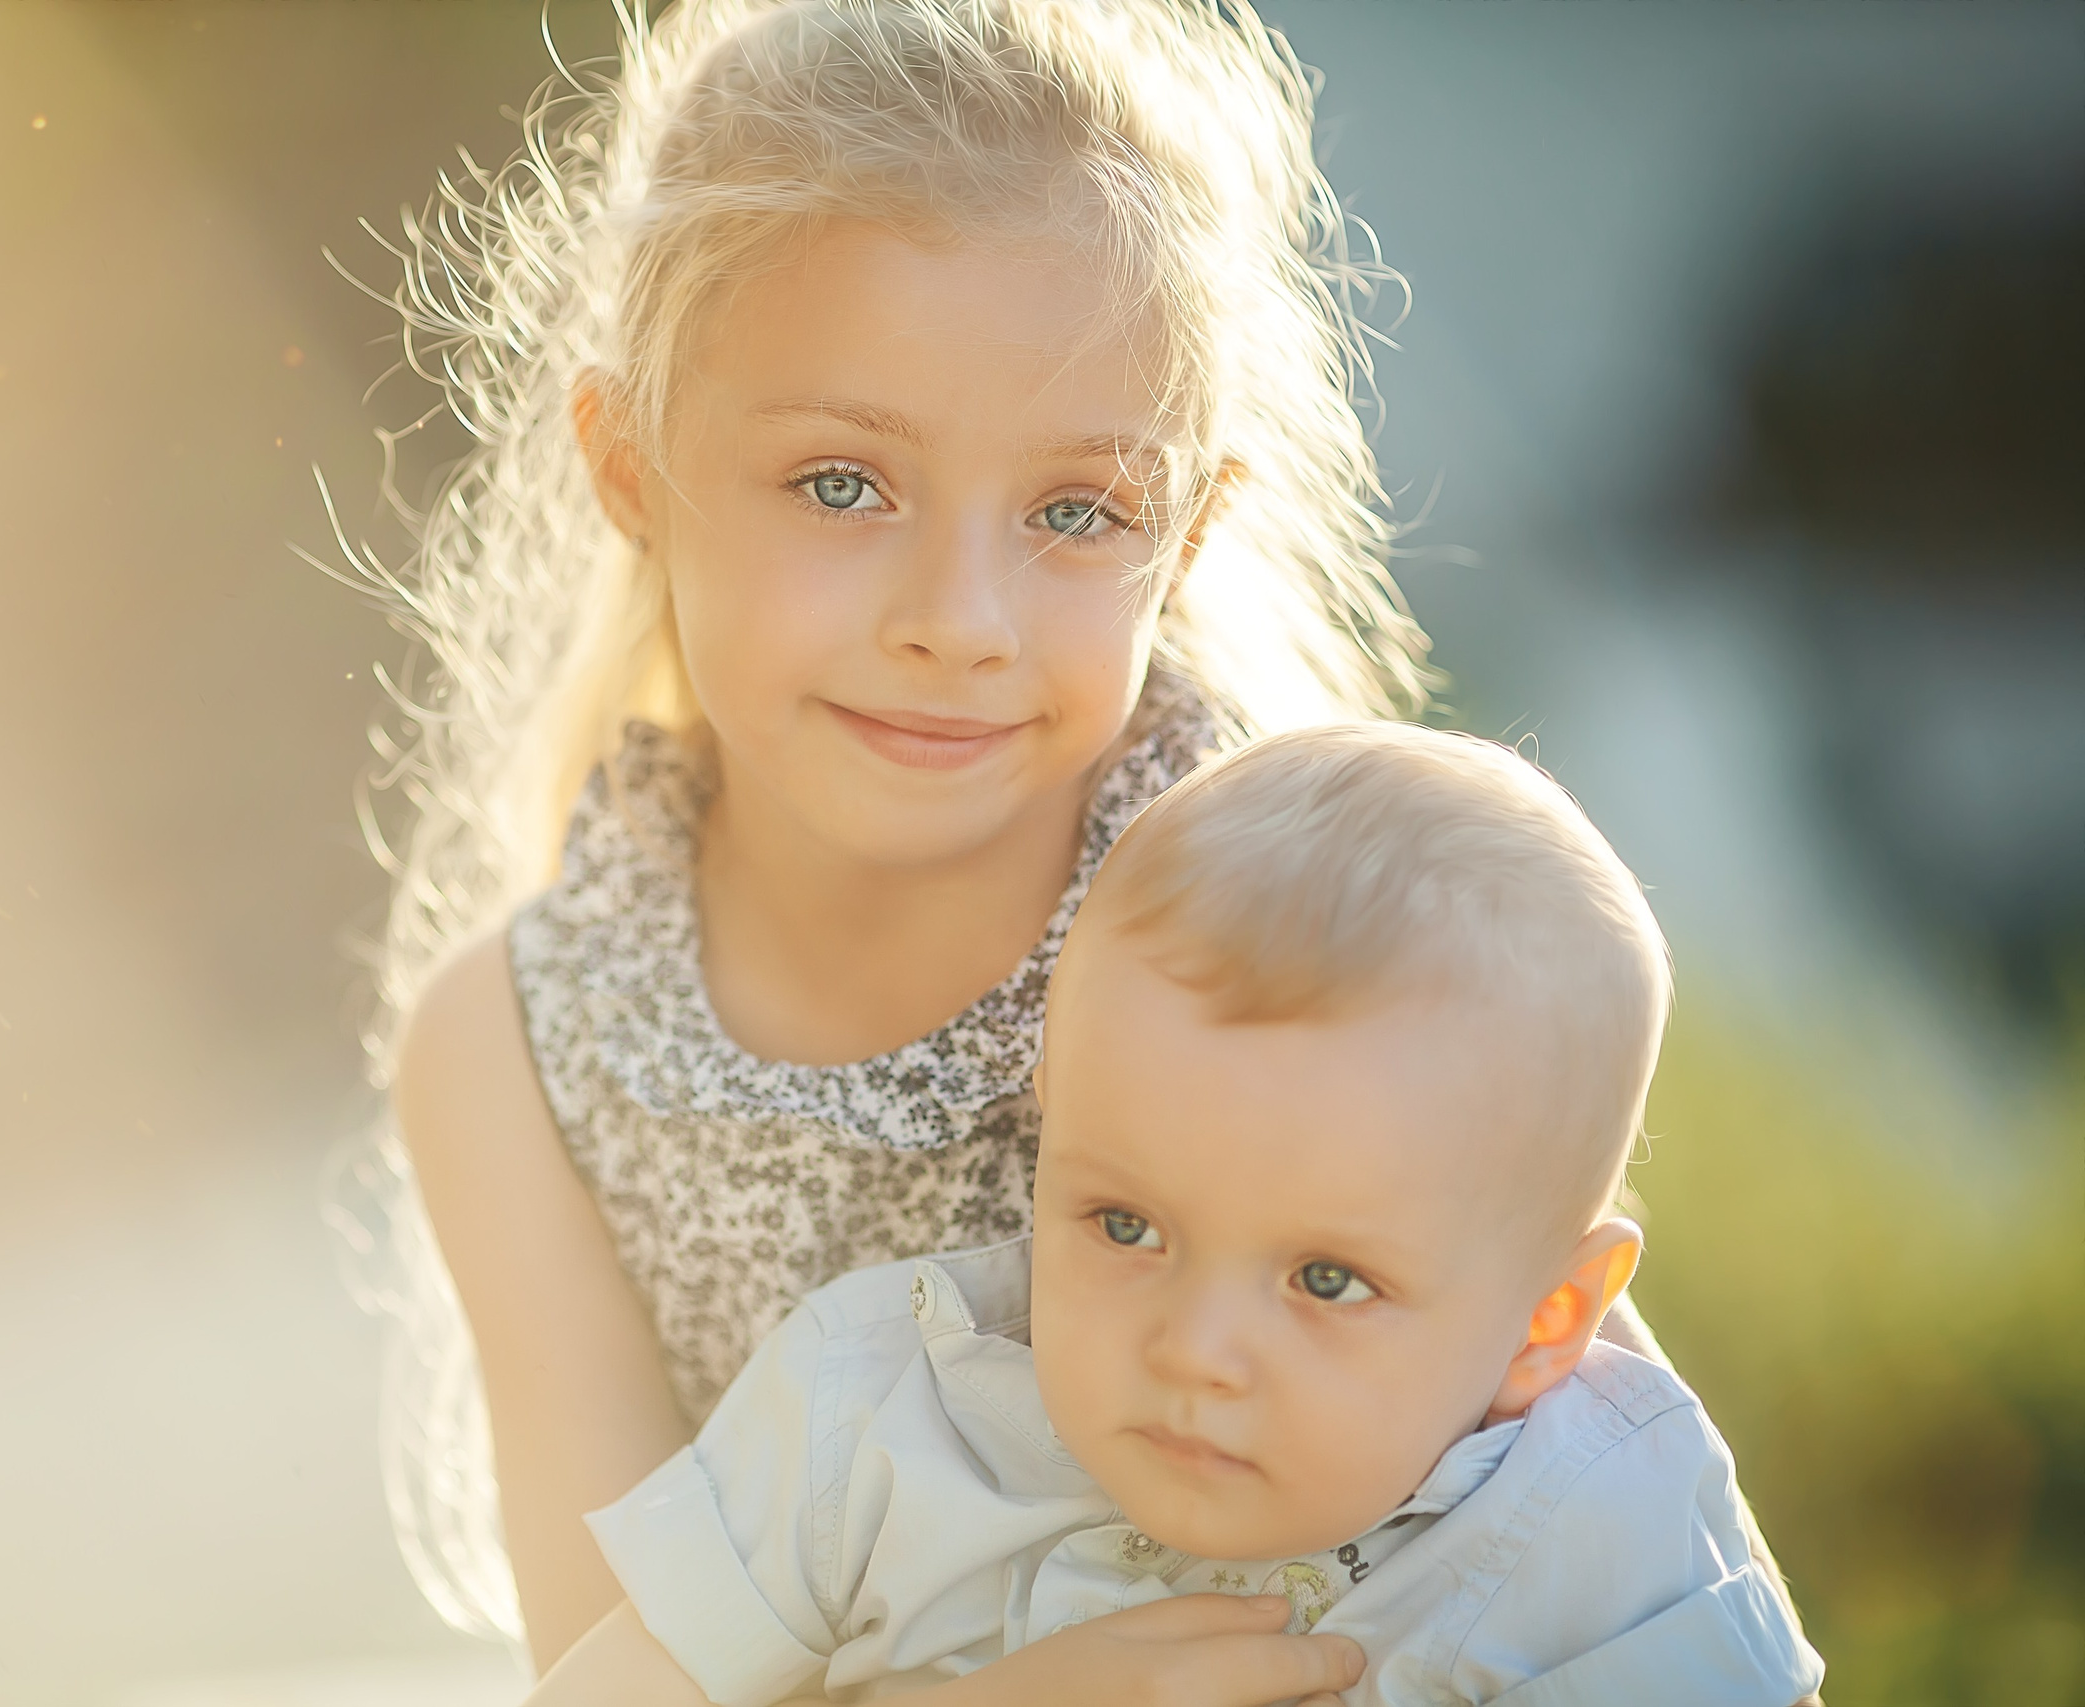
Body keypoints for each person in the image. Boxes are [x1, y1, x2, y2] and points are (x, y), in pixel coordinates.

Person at [349, 2, 1800, 1698]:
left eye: (1072, 513)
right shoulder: (522, 1049)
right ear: (633, 467)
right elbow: (599, 1676)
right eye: (839, 484)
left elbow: (1599, 1515)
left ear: (1181, 537)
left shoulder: (1296, 928)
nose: (957, 621)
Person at [524, 724, 1826, 1705]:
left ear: (1548, 1320)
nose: (1195, 1348)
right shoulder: (866, 1421)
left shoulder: (1602, 1530)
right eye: (1127, 1226)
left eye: (1326, 1281)